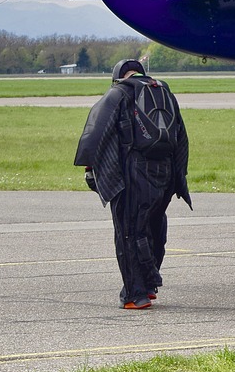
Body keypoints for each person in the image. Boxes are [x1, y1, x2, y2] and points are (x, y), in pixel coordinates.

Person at [74, 59, 190, 310]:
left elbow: (95, 133)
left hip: (133, 174)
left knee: (129, 232)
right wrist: (179, 177)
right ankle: (149, 285)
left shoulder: (118, 93)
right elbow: (181, 136)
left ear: (118, 76)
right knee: (154, 228)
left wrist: (91, 171)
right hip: (166, 174)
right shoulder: (164, 91)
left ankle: (135, 294)